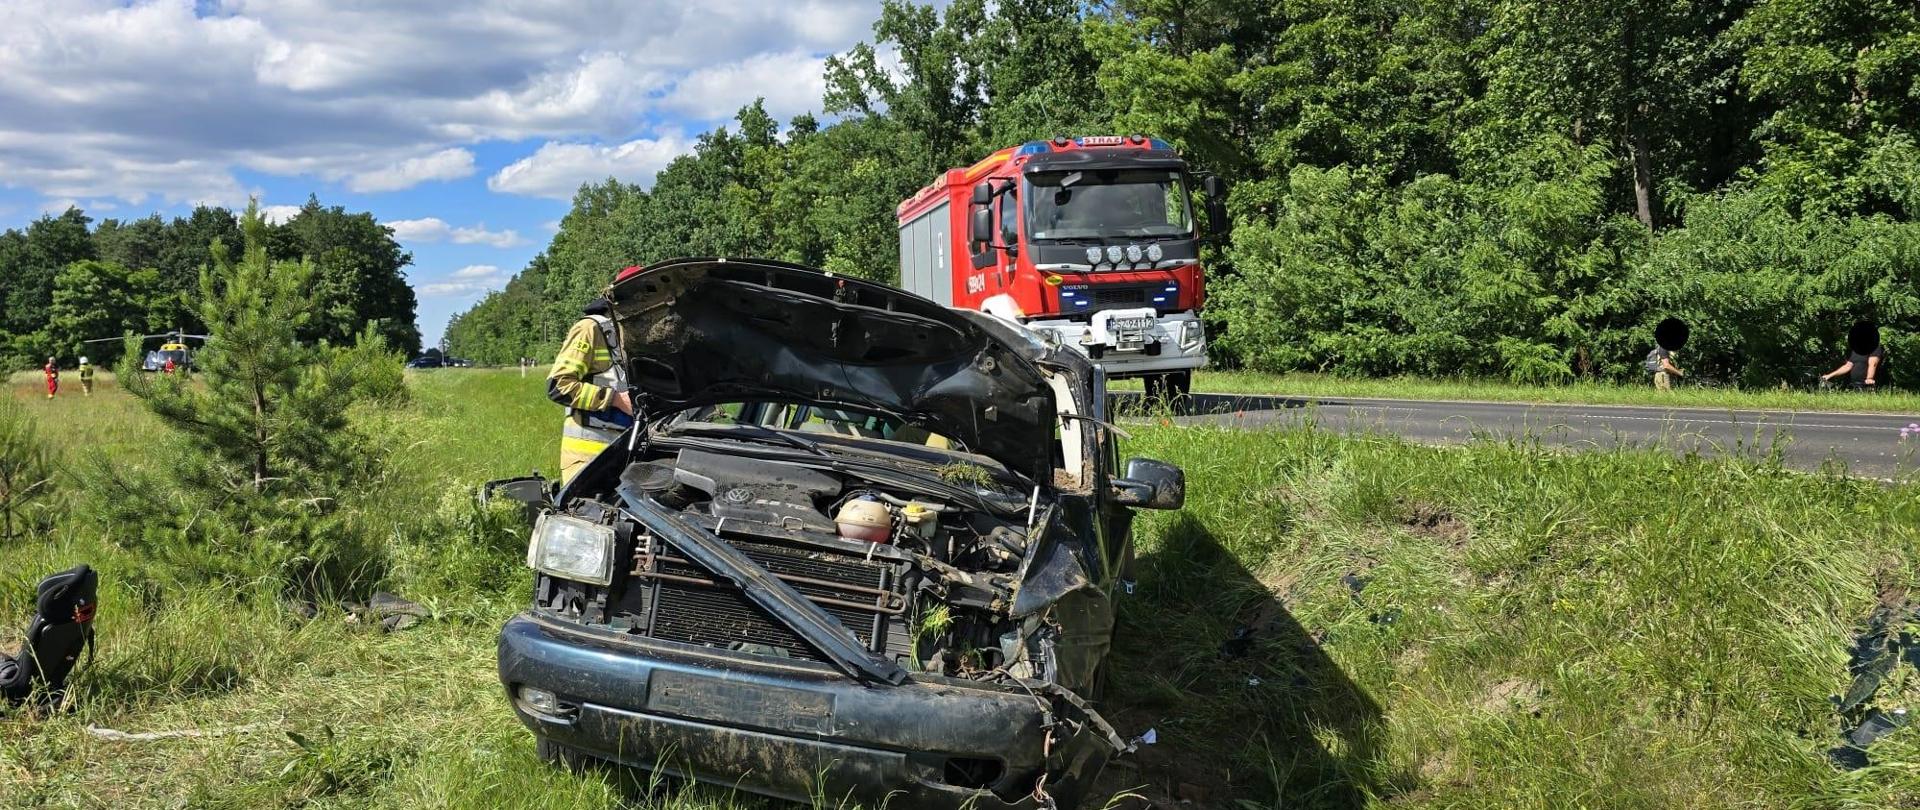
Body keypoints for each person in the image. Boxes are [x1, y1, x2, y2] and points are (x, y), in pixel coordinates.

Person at [547, 297, 632, 483]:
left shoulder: (634, 334)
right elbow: (559, 386)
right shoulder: (589, 328)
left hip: (628, 459)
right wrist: (615, 400)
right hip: (587, 461)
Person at [1821, 343, 1889, 390]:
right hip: (1855, 385)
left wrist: (1869, 378)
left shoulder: (1875, 347)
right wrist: (1829, 376)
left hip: (1868, 385)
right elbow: (1848, 366)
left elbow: (1873, 364)